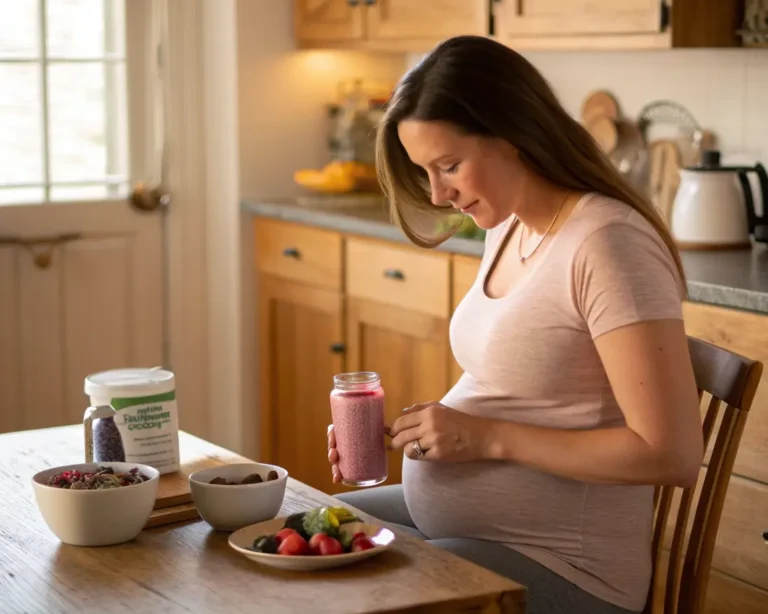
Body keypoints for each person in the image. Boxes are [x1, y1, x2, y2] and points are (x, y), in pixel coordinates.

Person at [326, 35, 703, 614]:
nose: (438, 193)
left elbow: (669, 454)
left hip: (569, 568)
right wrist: (419, 434)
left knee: (343, 591)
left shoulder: (608, 245)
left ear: (515, 134)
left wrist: (484, 437)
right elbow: (527, 389)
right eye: (425, 170)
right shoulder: (510, 225)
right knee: (295, 531)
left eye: (450, 166)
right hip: (476, 531)